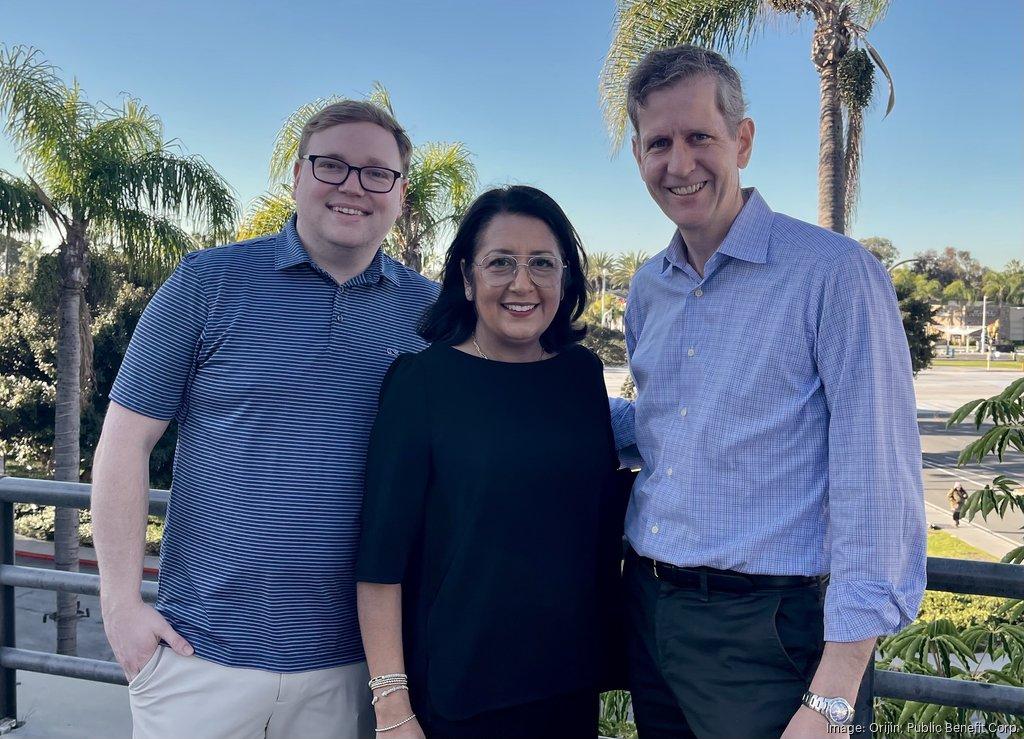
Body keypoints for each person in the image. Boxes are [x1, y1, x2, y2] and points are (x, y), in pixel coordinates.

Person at [90, 100, 439, 739]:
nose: (353, 186)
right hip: (198, 657)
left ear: (400, 194)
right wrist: (120, 610)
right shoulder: (208, 282)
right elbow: (124, 441)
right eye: (331, 165)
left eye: (376, 173)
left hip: (351, 667)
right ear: (297, 176)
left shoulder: (431, 314)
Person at [610, 45, 927, 737]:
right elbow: (668, 424)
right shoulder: (647, 288)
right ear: (638, 154)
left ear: (742, 140)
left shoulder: (834, 275)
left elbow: (878, 483)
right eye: (659, 142)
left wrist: (833, 697)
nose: (679, 162)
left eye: (700, 136)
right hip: (650, 613)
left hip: (768, 635)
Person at [355, 185, 627, 738]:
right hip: (458, 696)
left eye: (542, 264)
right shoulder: (422, 383)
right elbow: (380, 561)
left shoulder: (580, 377)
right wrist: (391, 707)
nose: (522, 283)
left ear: (565, 277)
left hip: (566, 689)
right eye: (500, 262)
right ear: (466, 275)